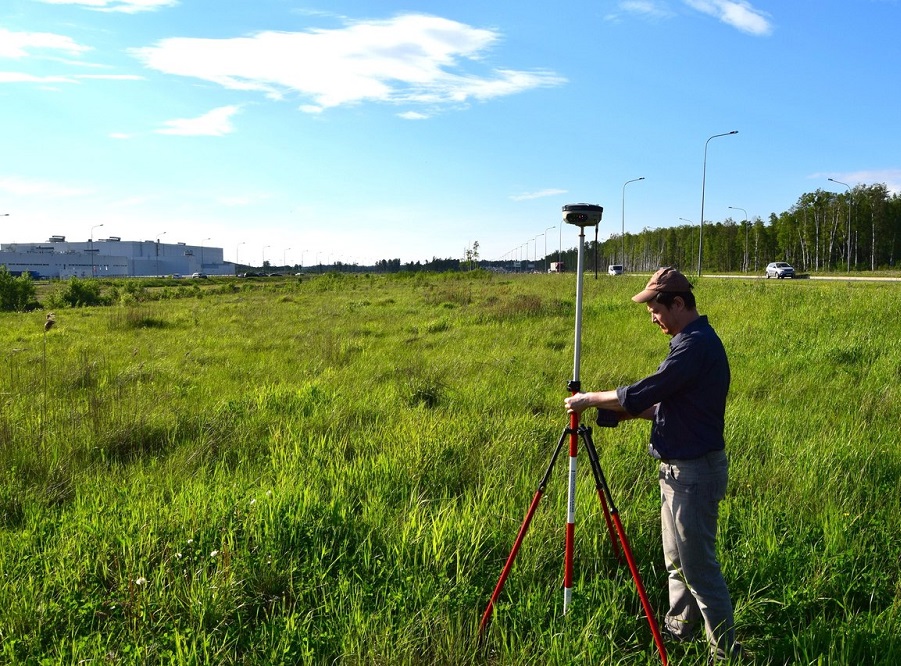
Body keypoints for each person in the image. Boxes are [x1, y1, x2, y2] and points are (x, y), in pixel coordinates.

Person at [564, 266, 741, 664]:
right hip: (679, 470)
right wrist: (624, 415)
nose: (653, 318)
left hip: (693, 473)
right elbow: (673, 406)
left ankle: (726, 654)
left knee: (699, 570)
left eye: (656, 310)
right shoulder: (690, 342)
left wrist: (590, 398)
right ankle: (680, 631)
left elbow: (650, 389)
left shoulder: (695, 346)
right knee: (676, 562)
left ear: (678, 303)